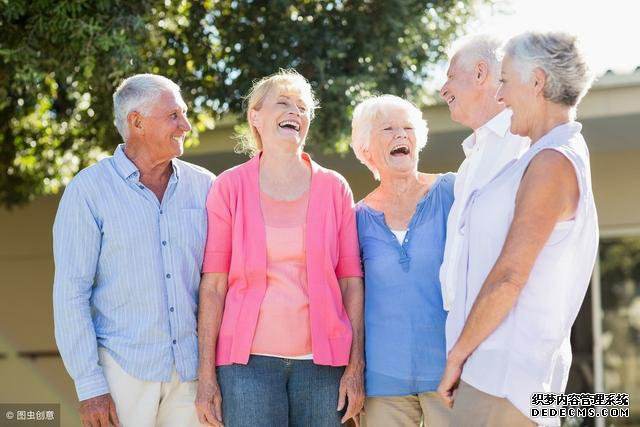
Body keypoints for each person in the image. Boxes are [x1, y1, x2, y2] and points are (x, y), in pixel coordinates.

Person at [437, 31, 598, 427]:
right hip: (496, 375)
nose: (502, 96)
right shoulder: (539, 155)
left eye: (505, 81)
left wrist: (457, 356)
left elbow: (510, 276)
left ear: (537, 82)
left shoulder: (552, 162)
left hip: (503, 379)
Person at [195, 69, 365, 427]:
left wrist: (355, 366)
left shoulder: (335, 188)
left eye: (303, 108)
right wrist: (206, 376)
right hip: (246, 367)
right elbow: (213, 287)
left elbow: (351, 283)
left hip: (322, 366)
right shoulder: (229, 188)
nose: (295, 113)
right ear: (255, 116)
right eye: (284, 103)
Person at [53, 73, 213, 426]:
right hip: (121, 373)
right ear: (136, 122)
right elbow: (71, 293)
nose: (185, 125)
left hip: (191, 376)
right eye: (174, 115)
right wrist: (89, 385)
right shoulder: (88, 191)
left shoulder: (206, 187)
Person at [350, 94, 454, 427]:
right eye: (388, 129)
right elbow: (352, 298)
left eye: (408, 128)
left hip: (450, 371)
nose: (401, 135)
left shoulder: (451, 192)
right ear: (367, 149)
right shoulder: (355, 218)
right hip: (383, 379)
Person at [438, 34, 530, 312]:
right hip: (464, 328)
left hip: (508, 328)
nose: (443, 89)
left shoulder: (525, 142)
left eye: (451, 76)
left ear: (480, 73)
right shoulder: (469, 163)